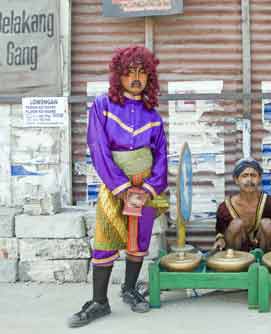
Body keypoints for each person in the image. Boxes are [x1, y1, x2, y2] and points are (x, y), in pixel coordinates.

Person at [68, 46, 168, 328]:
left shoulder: (153, 116)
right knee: (105, 241)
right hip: (115, 188)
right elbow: (98, 147)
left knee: (139, 243)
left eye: (142, 72)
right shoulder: (103, 106)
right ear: (118, 75)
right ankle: (99, 302)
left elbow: (162, 155)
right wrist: (122, 187)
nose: (136, 78)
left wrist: (149, 188)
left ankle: (129, 289)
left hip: (146, 189)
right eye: (129, 72)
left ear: (149, 77)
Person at [213, 158, 271, 252]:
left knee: (267, 223)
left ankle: (264, 263)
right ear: (236, 180)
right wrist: (220, 240)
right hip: (236, 255)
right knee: (236, 224)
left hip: (263, 251)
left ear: (260, 179)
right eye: (244, 176)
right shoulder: (224, 208)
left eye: (253, 175)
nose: (249, 180)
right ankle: (234, 264)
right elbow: (220, 231)